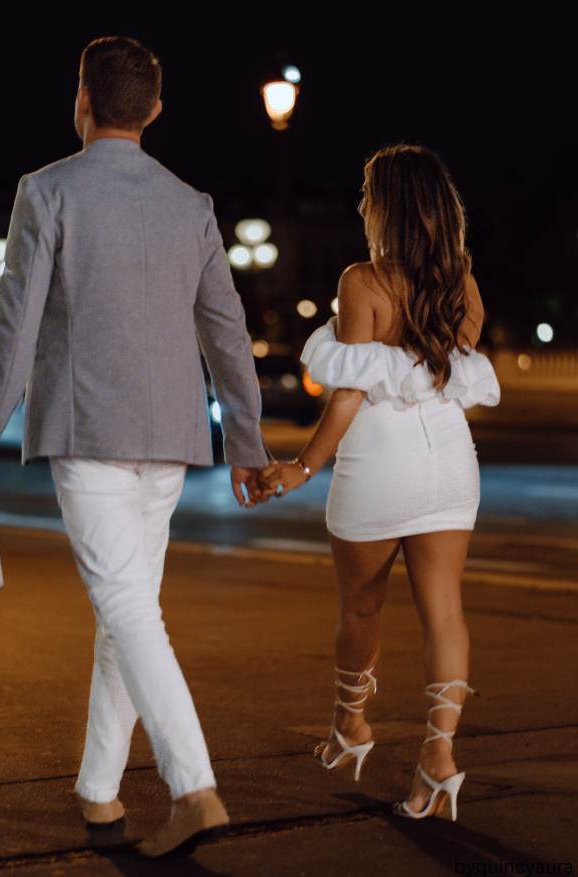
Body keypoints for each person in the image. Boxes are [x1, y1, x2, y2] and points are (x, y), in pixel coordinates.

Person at [0, 35, 270, 856]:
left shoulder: (46, 191)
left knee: (125, 608)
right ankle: (99, 791)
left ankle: (193, 785)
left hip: (88, 434)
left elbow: (13, 322)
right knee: (130, 609)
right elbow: (227, 331)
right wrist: (247, 442)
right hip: (170, 439)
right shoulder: (190, 203)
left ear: (81, 101)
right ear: (154, 111)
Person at [261, 144, 500, 822]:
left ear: (389, 205)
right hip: (450, 459)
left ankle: (351, 726)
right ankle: (439, 752)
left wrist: (301, 468)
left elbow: (348, 396)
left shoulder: (361, 281)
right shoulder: (464, 283)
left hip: (379, 464)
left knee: (361, 607)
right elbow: (453, 368)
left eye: (368, 193)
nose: (361, 204)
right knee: (444, 610)